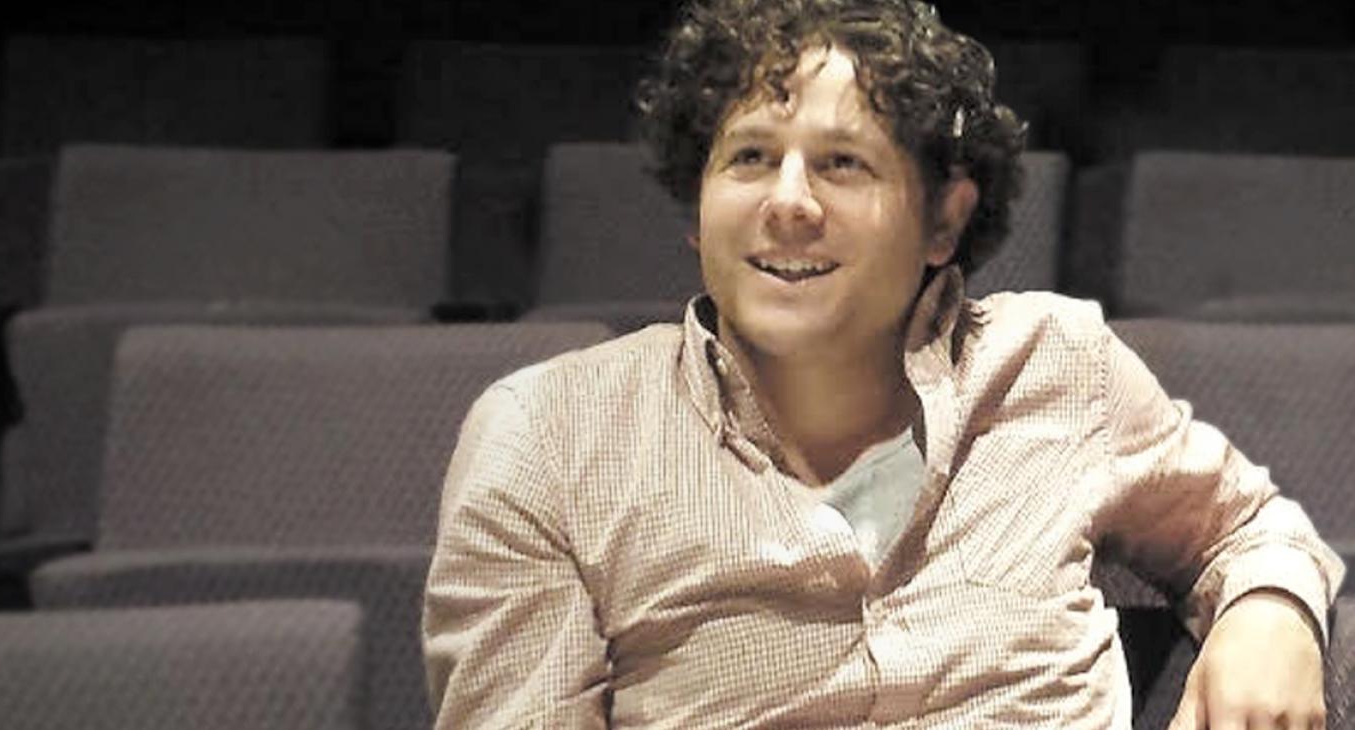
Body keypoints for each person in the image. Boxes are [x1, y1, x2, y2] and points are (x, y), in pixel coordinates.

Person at [419, 0, 1347, 726]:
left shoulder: (1059, 369)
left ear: (944, 220)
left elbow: (1249, 529)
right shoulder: (549, 436)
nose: (788, 202)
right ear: (698, 209)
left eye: (842, 164)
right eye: (750, 158)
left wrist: (1271, 610)